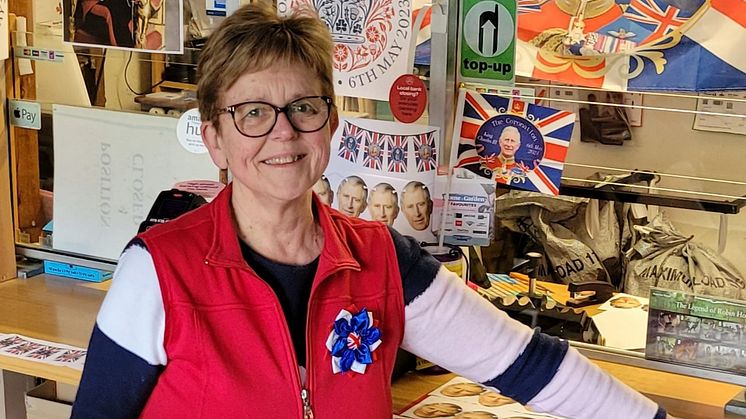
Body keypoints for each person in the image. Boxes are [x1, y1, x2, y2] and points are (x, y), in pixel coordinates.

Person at [71, 3, 674, 419]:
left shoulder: (383, 260)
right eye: (252, 112)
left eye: (303, 107)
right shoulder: (157, 271)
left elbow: (525, 364)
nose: (282, 134)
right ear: (214, 138)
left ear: (329, 124)